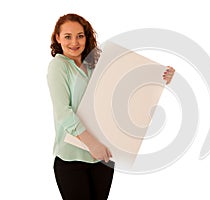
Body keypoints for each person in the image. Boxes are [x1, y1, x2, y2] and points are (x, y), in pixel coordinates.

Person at [47, 13, 175, 200]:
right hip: (72, 159)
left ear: (86, 37)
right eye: (68, 36)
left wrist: (161, 78)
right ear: (58, 38)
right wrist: (93, 144)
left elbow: (122, 91)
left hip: (102, 158)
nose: (74, 42)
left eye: (80, 36)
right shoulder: (58, 66)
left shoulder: (94, 64)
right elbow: (63, 113)